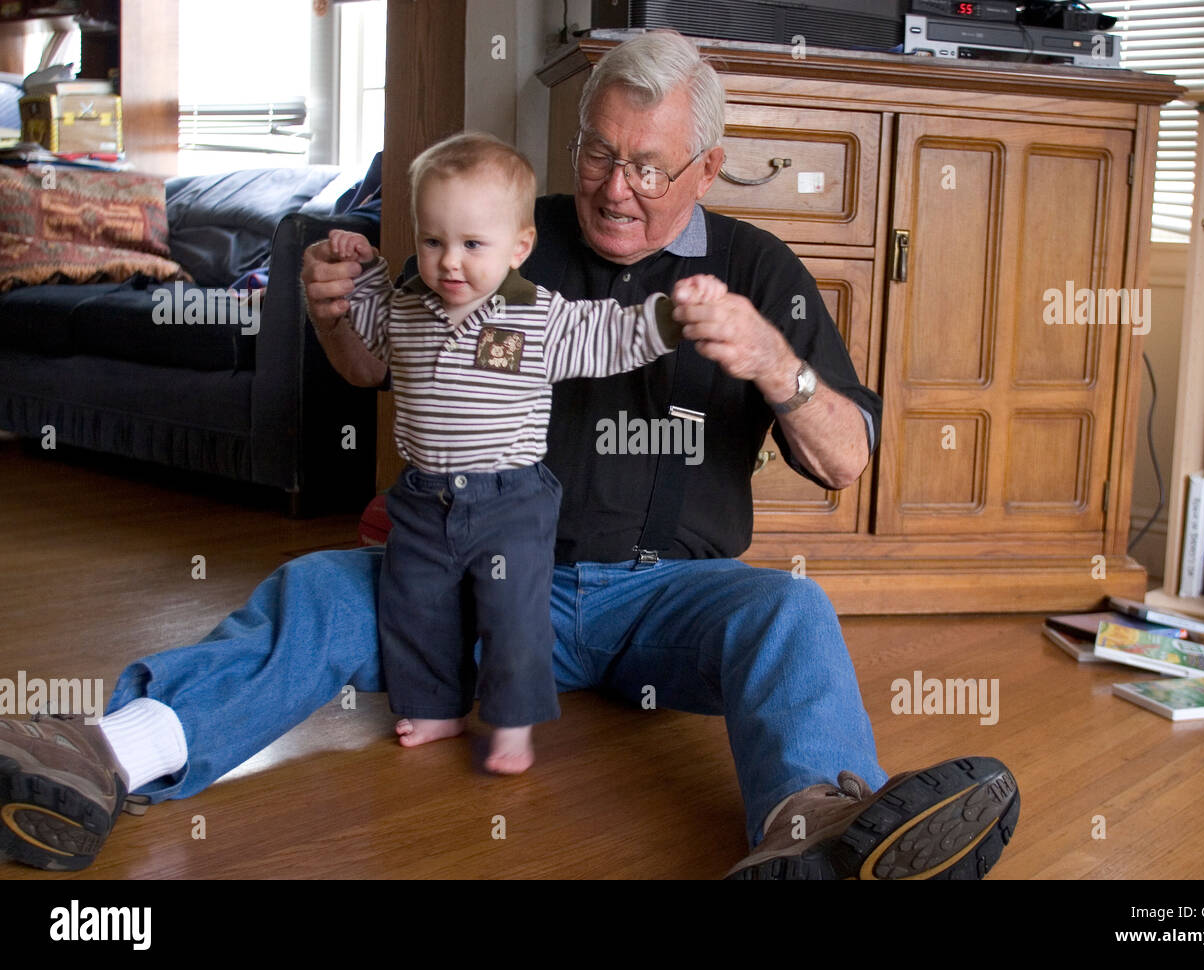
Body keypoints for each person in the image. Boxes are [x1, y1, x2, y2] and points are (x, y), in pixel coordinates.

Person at [0, 30, 1019, 878]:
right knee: (320, 590)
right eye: (596, 153)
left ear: (707, 168)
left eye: (650, 165)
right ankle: (105, 758)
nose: (616, 188)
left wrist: (772, 362)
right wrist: (329, 316)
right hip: (472, 579)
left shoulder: (756, 266)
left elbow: (845, 459)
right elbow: (371, 367)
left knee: (788, 609)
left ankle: (815, 831)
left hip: (663, 601)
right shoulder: (492, 232)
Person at [321, 131, 724, 773]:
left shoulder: (538, 317)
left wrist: (668, 319)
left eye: (473, 245)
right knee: (414, 606)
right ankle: (436, 706)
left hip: (510, 501)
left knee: (512, 614)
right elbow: (362, 316)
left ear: (519, 247)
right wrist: (358, 261)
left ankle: (512, 722)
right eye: (433, 242)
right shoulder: (407, 308)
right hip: (424, 497)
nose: (450, 262)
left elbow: (608, 334)